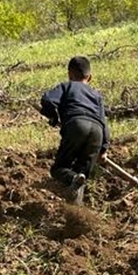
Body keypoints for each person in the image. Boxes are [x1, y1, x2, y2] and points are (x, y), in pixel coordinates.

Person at [40, 55, 110, 205]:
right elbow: (104, 122)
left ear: (69, 74)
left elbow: (47, 101)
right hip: (97, 132)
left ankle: (72, 179)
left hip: (76, 125)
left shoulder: (67, 86)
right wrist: (103, 149)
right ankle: (76, 212)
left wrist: (52, 116)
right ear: (89, 77)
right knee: (82, 175)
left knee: (59, 169)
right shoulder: (97, 95)